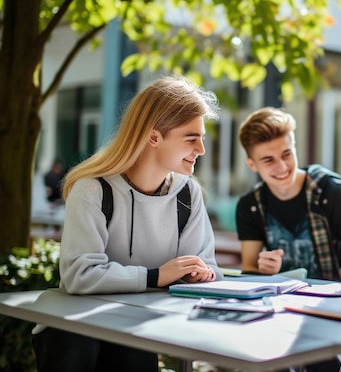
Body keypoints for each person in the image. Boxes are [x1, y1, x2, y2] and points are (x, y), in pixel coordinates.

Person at [32, 75, 224, 372]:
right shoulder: (93, 189)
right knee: (86, 344)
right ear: (153, 137)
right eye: (191, 138)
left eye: (202, 137)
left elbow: (205, 265)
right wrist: (155, 276)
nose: (201, 149)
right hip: (77, 331)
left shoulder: (188, 193)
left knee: (133, 353)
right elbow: (79, 275)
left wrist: (200, 275)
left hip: (136, 328)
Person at [235, 107, 341, 372]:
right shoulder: (250, 206)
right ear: (252, 164)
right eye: (269, 160)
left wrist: (329, 292)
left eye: (287, 154)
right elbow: (249, 268)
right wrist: (264, 270)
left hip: (324, 309)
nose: (282, 166)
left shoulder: (330, 191)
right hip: (277, 310)